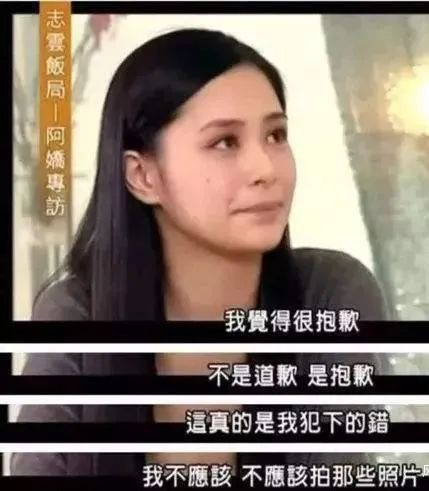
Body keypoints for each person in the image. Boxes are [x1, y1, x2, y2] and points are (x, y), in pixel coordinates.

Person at [12, 28, 388, 476]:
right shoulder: (78, 314)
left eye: (275, 135)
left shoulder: (329, 294)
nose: (265, 169)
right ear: (143, 176)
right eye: (224, 142)